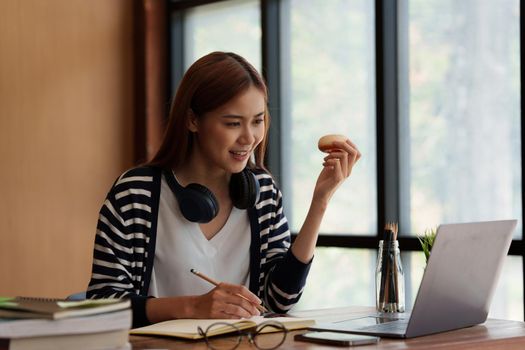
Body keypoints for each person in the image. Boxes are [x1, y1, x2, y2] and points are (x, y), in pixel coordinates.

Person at [87, 51, 361, 328]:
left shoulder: (262, 192)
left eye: (257, 121)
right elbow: (102, 305)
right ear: (193, 120)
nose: (249, 137)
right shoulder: (136, 194)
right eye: (232, 123)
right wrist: (193, 306)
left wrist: (320, 201)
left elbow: (279, 300)